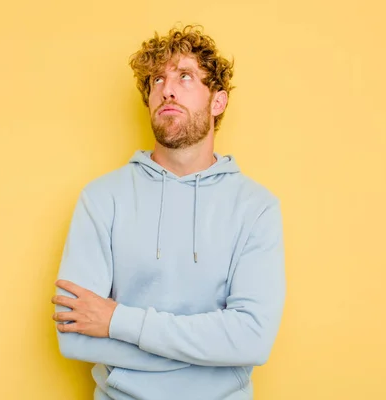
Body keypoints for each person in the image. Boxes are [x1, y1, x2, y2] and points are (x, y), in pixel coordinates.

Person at [51, 24, 286, 400]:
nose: (167, 89)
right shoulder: (101, 198)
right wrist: (209, 353)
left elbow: (253, 341)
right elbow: (75, 339)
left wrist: (116, 321)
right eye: (156, 80)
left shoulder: (256, 208)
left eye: (185, 76)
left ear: (218, 102)